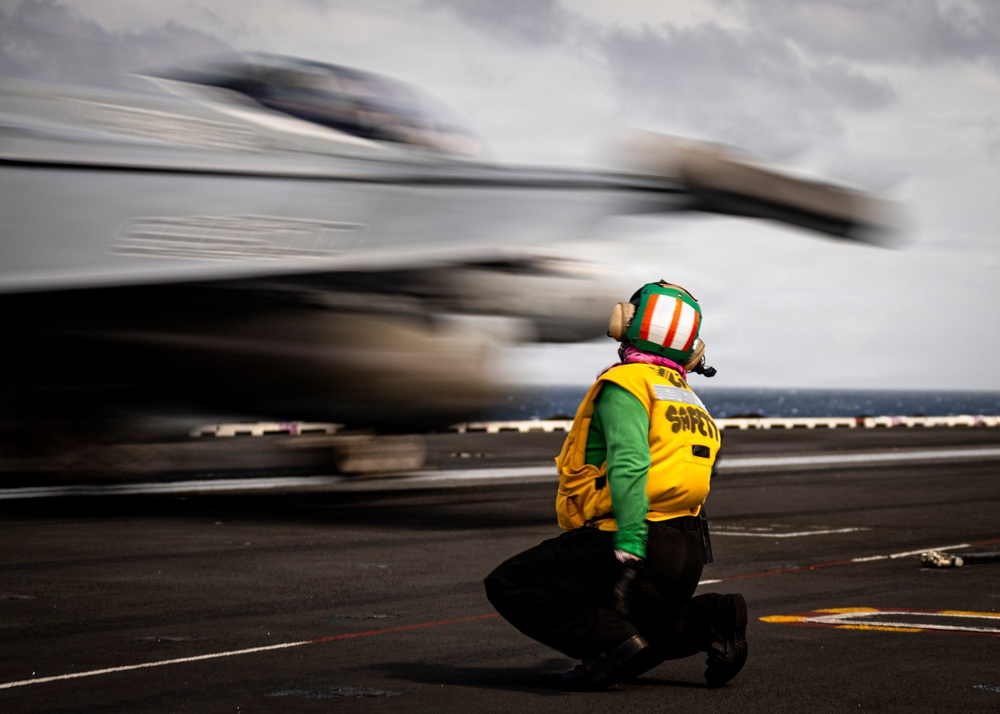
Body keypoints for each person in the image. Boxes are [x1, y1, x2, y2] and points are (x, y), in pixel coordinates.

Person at [484, 280, 747, 690]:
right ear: (691, 347)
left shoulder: (627, 385)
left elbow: (630, 461)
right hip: (688, 548)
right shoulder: (686, 397)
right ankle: (712, 619)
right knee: (648, 636)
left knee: (510, 583)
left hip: (634, 536)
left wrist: (629, 542)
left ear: (629, 323)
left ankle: (610, 645)